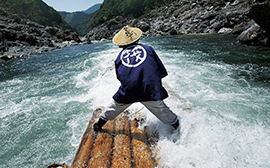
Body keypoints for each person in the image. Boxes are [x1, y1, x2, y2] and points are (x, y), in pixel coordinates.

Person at [93, 25, 179, 132]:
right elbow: (161, 72)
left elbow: (121, 78)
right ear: (137, 38)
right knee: (164, 112)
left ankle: (98, 125)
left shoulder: (119, 57)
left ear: (121, 44)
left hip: (128, 91)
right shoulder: (148, 49)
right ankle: (179, 129)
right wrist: (154, 86)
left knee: (113, 108)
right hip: (149, 89)